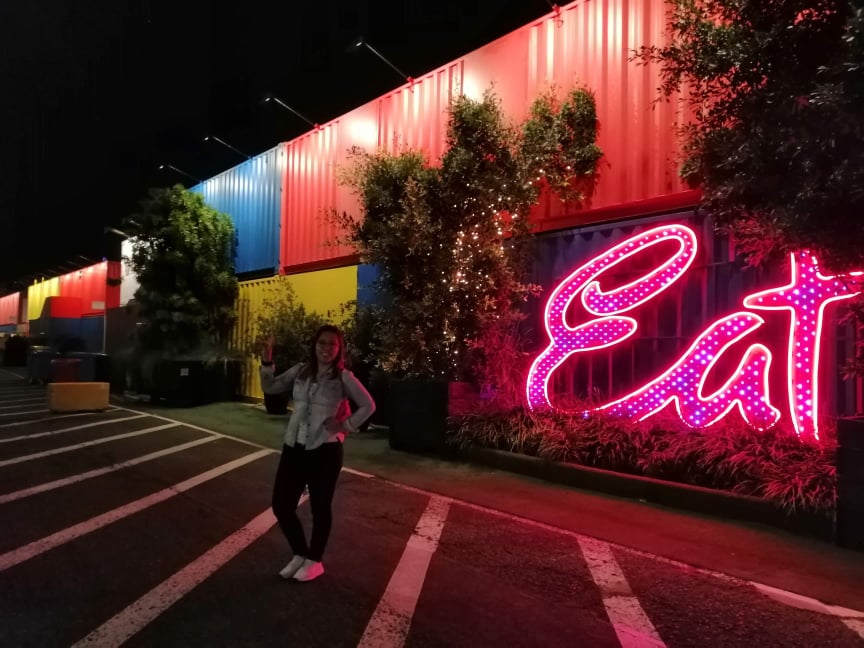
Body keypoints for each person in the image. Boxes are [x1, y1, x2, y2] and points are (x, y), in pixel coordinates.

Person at [260, 324, 375, 582]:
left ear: (339, 349)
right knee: (282, 506)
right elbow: (270, 387)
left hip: (325, 449)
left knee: (320, 507)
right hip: (294, 446)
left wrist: (344, 425)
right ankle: (300, 553)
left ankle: (315, 560)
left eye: (332, 344)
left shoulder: (344, 377)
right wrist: (267, 361)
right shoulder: (301, 371)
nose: (326, 348)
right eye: (322, 342)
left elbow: (368, 405)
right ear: (314, 345)